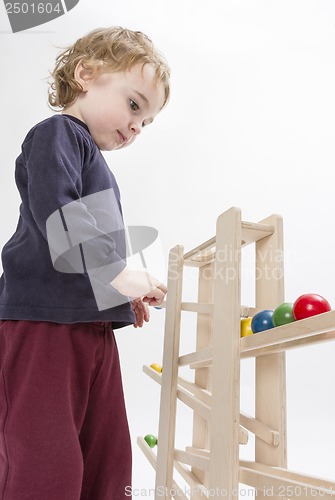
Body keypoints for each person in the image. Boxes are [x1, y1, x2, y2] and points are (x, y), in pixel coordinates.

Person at [0, 26, 170, 499]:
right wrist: (119, 274)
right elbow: (59, 219)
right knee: (44, 456)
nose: (137, 126)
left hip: (90, 326)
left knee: (108, 457)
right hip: (43, 322)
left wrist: (120, 290)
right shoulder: (56, 135)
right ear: (86, 74)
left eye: (146, 123)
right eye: (135, 105)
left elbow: (97, 244)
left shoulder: (98, 166)